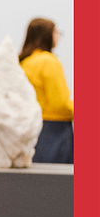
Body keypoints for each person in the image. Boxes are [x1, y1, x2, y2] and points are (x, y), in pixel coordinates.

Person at [19, 17, 74, 164]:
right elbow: (60, 103)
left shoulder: (25, 61)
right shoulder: (49, 62)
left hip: (31, 126)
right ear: (46, 34)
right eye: (56, 32)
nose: (58, 36)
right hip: (55, 129)